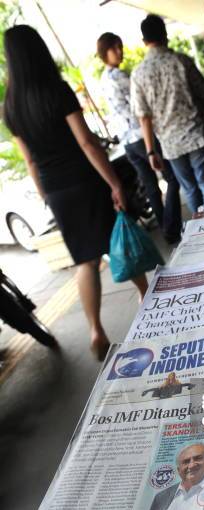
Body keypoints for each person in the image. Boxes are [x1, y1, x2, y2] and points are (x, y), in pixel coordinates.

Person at [3, 25, 148, 361]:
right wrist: (114, 183)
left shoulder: (10, 108)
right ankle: (145, 296)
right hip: (84, 180)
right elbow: (86, 142)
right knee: (118, 241)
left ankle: (95, 328)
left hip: (56, 191)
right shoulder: (57, 91)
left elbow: (29, 162)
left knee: (85, 261)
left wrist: (45, 196)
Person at [97, 32, 182, 243]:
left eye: (120, 47)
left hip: (127, 143)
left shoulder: (103, 80)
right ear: (105, 51)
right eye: (115, 48)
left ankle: (166, 229)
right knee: (172, 178)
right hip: (141, 138)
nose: (120, 52)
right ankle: (172, 228)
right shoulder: (121, 76)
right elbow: (141, 108)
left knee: (152, 186)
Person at [131, 14, 204, 214]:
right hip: (195, 133)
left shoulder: (138, 74)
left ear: (144, 41)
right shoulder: (181, 61)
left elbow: (143, 116)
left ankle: (203, 234)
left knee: (189, 189)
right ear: (165, 34)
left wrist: (150, 151)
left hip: (170, 144)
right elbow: (203, 92)